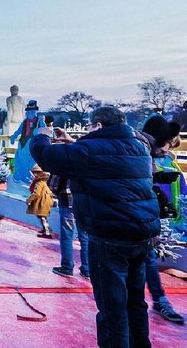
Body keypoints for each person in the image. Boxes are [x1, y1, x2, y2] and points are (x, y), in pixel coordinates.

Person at [30, 106, 160, 348]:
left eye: (90, 126)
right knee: (135, 303)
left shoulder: (88, 152)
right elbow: (105, 157)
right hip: (141, 235)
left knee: (113, 310)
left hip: (109, 237)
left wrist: (42, 134)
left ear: (98, 126)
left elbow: (44, 155)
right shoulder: (140, 147)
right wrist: (74, 142)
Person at [139, 115, 184, 324]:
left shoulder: (149, 156)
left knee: (147, 259)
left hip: (143, 222)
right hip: (129, 223)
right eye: (166, 144)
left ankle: (158, 300)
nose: (167, 150)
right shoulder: (138, 152)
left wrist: (156, 179)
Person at [50, 173, 90, 278]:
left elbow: (53, 182)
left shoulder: (63, 159)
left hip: (67, 199)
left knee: (67, 234)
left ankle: (67, 267)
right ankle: (87, 269)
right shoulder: (88, 159)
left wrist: (55, 192)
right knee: (84, 236)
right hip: (84, 201)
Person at [9, 100, 45, 184]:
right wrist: (13, 137)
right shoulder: (25, 122)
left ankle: (24, 175)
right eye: (28, 112)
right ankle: (22, 175)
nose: (29, 114)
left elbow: (44, 131)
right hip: (23, 143)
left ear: (35, 112)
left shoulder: (39, 122)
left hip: (32, 145)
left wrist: (41, 126)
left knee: (28, 161)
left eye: (32, 112)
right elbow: (19, 130)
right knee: (19, 158)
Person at [25, 165, 54, 238]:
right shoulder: (43, 181)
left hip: (43, 202)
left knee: (42, 216)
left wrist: (29, 199)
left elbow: (36, 193)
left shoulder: (39, 182)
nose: (34, 174)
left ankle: (47, 232)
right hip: (44, 200)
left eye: (35, 173)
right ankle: (46, 229)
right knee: (41, 215)